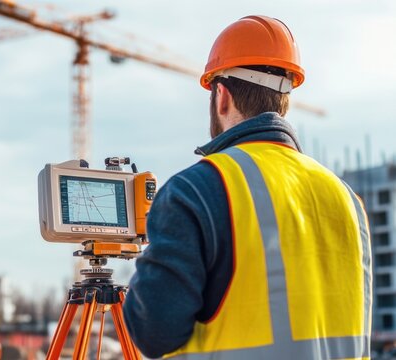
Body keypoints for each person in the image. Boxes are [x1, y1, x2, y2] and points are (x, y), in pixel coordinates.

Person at [122, 15, 372, 359]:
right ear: (284, 98)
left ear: (221, 96)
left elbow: (154, 331)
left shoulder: (195, 190)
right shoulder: (347, 199)